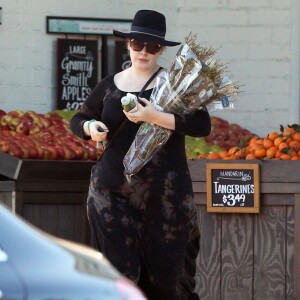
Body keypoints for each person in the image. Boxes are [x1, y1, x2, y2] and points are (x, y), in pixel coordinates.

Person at [71, 9, 211, 300]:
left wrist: (155, 116)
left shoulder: (175, 85)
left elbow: (201, 124)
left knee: (166, 282)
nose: (144, 52)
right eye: (137, 44)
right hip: (111, 193)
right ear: (128, 44)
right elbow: (79, 118)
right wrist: (91, 128)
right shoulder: (110, 84)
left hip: (164, 198)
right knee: (120, 279)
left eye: (152, 47)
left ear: (161, 50)